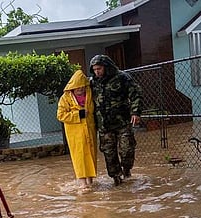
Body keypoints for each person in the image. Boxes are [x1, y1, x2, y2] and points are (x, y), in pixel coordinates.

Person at [89, 54, 143, 186]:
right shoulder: (92, 82)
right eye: (95, 69)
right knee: (109, 153)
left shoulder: (122, 77)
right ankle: (116, 178)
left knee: (127, 149)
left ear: (106, 67)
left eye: (99, 69)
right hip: (104, 125)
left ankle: (127, 170)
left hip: (123, 122)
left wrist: (136, 112)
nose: (97, 72)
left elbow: (136, 93)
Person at [57, 69, 97, 193]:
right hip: (75, 133)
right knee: (79, 156)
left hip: (90, 130)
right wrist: (78, 114)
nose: (80, 90)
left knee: (91, 153)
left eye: (82, 87)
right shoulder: (65, 98)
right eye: (77, 88)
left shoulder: (90, 94)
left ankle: (90, 180)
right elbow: (61, 115)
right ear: (72, 88)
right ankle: (82, 182)